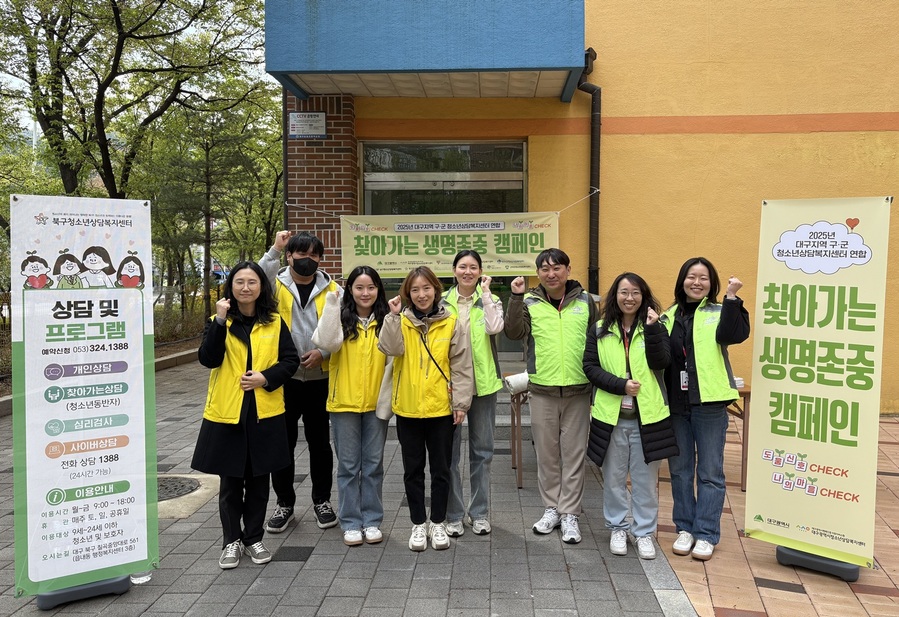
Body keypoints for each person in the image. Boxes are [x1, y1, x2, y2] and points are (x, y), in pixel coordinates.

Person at [191, 261, 299, 569]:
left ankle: (253, 538)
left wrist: (264, 378)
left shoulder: (275, 322)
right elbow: (208, 358)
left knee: (259, 480)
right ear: (231, 287)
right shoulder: (218, 320)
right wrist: (220, 320)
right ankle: (231, 541)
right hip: (229, 412)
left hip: (265, 412)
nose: (246, 287)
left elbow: (290, 361)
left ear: (261, 287)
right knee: (230, 482)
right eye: (240, 282)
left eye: (252, 282)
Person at [504, 248, 598, 544]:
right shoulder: (530, 301)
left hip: (578, 389)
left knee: (573, 454)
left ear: (568, 269)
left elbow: (598, 339)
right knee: (547, 454)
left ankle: (570, 514)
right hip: (542, 388)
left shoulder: (586, 301)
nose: (551, 273)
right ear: (538, 273)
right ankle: (551, 509)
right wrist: (516, 297)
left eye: (557, 267)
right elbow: (514, 332)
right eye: (544, 269)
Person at [583, 273, 677, 560]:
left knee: (645, 480)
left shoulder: (657, 325)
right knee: (612, 478)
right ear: (615, 296)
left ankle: (644, 532)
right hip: (610, 417)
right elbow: (589, 367)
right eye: (624, 292)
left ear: (643, 296)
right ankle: (617, 527)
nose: (629, 298)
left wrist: (651, 329)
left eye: (635, 292)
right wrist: (620, 385)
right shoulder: (600, 329)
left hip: (647, 417)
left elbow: (663, 362)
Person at [378, 266, 473, 551]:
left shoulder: (452, 322)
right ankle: (418, 524)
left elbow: (461, 366)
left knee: (442, 470)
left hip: (441, 409)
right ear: (408, 292)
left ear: (436, 289)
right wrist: (393, 316)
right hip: (408, 409)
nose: (422, 295)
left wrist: (461, 403)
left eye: (427, 288)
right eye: (415, 290)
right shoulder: (398, 321)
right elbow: (389, 348)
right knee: (413, 470)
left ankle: (438, 522)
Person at [660, 257, 750, 561]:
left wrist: (732, 297)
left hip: (709, 403)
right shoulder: (667, 316)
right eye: (691, 276)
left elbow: (732, 335)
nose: (696, 282)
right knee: (680, 470)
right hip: (676, 405)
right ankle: (685, 528)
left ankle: (707, 532)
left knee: (710, 472)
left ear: (711, 283)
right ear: (681, 280)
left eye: (703, 278)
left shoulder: (720, 310)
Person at [260, 230, 341, 532]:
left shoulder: (334, 289)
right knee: (283, 443)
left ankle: (322, 501)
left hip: (321, 378)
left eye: (314, 255)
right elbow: (254, 276)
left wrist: (323, 353)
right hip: (285, 378)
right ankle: (284, 504)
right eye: (301, 254)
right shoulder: (275, 285)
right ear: (290, 256)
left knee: (320, 443)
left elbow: (341, 332)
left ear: (320, 259)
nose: (307, 260)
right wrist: (275, 249)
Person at [312, 266, 391, 546]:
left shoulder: (387, 320)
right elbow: (325, 342)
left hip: (376, 405)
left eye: (371, 287)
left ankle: (371, 520)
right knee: (348, 466)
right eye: (359, 287)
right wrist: (333, 306)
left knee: (372, 465)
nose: (365, 293)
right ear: (350, 290)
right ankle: (350, 522)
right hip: (343, 403)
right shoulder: (340, 318)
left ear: (378, 290)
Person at [442, 250, 503, 537]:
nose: (468, 272)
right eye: (462, 267)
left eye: (473, 267)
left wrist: (487, 293)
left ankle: (479, 513)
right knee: (449, 455)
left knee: (482, 452)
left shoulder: (489, 300)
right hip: (450, 387)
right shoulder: (442, 302)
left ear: (480, 271)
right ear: (454, 270)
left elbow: (495, 327)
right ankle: (453, 514)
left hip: (485, 385)